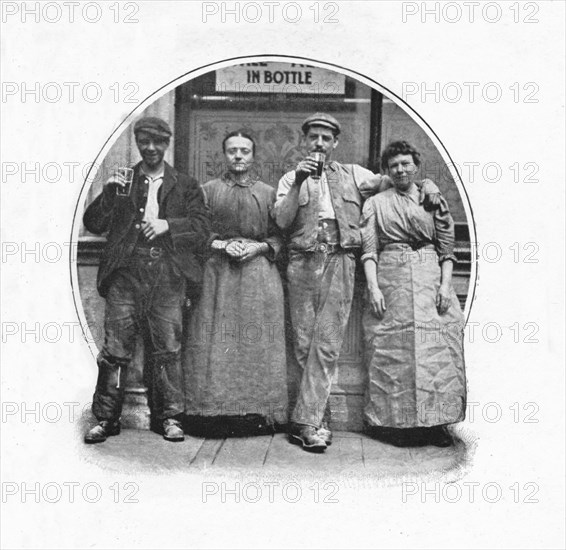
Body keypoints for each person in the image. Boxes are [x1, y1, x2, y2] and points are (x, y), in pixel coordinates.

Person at [272, 113, 441, 452]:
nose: (319, 143)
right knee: (304, 343)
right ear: (304, 140)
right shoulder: (290, 177)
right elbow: (281, 220)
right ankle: (318, 419)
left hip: (341, 259)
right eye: (314, 137)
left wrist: (428, 185)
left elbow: (397, 179)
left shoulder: (354, 174)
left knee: (328, 343)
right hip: (303, 261)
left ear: (335, 143)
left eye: (326, 138)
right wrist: (297, 184)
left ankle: (305, 422)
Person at [83, 116, 210, 444]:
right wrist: (108, 193)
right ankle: (106, 419)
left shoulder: (185, 184)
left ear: (167, 144)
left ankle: (170, 418)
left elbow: (202, 229)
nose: (151, 148)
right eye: (144, 142)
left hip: (167, 275)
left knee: (168, 349)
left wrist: (169, 224)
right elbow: (94, 223)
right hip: (126, 275)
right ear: (138, 144)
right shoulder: (123, 181)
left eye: (157, 142)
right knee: (115, 351)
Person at [360, 140, 466, 447]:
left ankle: (435, 425)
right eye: (394, 165)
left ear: (416, 166)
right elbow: (368, 249)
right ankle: (393, 425)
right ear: (387, 171)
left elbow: (447, 247)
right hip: (390, 277)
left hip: (430, 277)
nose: (400, 169)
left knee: (438, 351)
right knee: (392, 351)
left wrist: (446, 285)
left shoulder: (431, 198)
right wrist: (373, 287)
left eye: (406, 163)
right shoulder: (376, 202)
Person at [183, 131, 288, 435]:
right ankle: (212, 413)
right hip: (219, 274)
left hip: (258, 275)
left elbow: (282, 234)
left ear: (254, 155)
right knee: (216, 340)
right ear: (224, 155)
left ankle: (258, 412)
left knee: (256, 342)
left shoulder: (269, 193)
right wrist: (221, 245)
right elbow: (196, 230)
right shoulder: (208, 190)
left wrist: (260, 247)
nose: (238, 156)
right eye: (232, 151)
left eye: (244, 150)